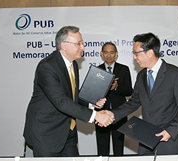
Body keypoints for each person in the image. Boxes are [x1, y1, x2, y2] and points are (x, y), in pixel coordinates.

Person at [23, 26, 113, 157]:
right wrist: (95, 116)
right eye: (78, 43)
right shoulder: (47, 67)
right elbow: (61, 102)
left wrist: (91, 105)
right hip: (46, 133)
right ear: (64, 46)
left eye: (82, 43)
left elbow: (71, 97)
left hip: (67, 132)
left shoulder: (73, 64)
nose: (83, 47)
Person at [104, 32, 178, 155]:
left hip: (168, 139)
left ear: (150, 53)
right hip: (146, 138)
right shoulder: (141, 76)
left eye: (136, 53)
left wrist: (171, 131)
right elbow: (134, 102)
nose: (134, 57)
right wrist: (113, 114)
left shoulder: (176, 75)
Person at [95, 42, 133, 156]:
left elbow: (129, 91)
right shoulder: (96, 70)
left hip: (119, 114)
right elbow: (93, 92)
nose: (109, 55)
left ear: (116, 54)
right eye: (106, 52)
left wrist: (117, 87)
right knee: (102, 147)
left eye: (112, 52)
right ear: (101, 54)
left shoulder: (124, 69)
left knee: (118, 148)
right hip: (101, 114)